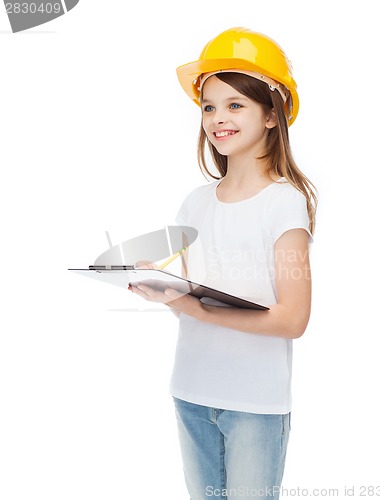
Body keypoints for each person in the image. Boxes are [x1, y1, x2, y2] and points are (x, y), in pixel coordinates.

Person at [129, 27, 318, 500]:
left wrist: (197, 309)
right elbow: (197, 297)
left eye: (235, 105)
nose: (218, 119)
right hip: (191, 391)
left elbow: (292, 319)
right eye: (209, 107)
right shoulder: (195, 203)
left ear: (272, 115)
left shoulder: (284, 203)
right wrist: (166, 288)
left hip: (254, 403)